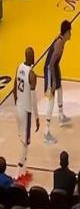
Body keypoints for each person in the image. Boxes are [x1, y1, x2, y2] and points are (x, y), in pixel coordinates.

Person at [13, 46, 39, 184]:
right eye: (32, 55)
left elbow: (14, 89)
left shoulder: (19, 67)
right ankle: (17, 174)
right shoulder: (32, 75)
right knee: (25, 143)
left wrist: (17, 104)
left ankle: (23, 171)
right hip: (26, 110)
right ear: (30, 57)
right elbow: (33, 100)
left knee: (24, 141)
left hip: (18, 107)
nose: (34, 57)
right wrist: (37, 117)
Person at [43, 20, 72, 144]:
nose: (71, 34)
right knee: (51, 99)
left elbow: (54, 63)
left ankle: (61, 115)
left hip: (55, 67)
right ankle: (46, 132)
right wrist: (54, 81)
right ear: (66, 32)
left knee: (60, 89)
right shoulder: (59, 44)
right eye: (70, 32)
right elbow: (50, 65)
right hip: (50, 70)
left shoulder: (61, 40)